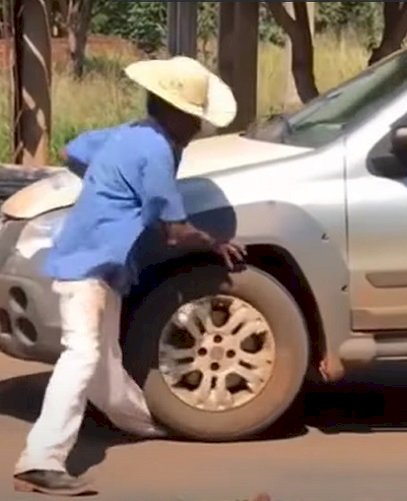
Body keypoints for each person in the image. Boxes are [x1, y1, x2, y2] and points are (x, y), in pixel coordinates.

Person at [13, 56, 246, 496]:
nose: (198, 129)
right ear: (174, 112)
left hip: (96, 258)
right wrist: (214, 243)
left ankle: (141, 422)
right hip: (92, 261)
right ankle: (40, 459)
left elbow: (73, 151)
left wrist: (108, 185)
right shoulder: (157, 150)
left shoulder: (129, 134)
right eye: (194, 118)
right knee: (82, 354)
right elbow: (174, 232)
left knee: (103, 357)